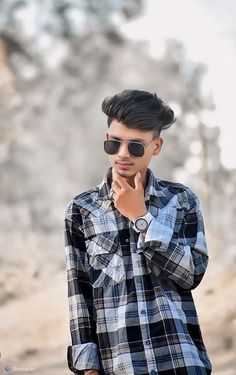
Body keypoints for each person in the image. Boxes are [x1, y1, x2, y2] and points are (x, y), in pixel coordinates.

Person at [64, 89, 212, 375]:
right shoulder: (82, 210)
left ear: (156, 146)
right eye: (114, 143)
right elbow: (79, 295)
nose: (122, 155)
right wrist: (88, 368)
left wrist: (141, 218)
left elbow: (191, 275)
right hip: (121, 365)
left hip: (181, 360)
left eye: (135, 147)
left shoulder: (181, 200)